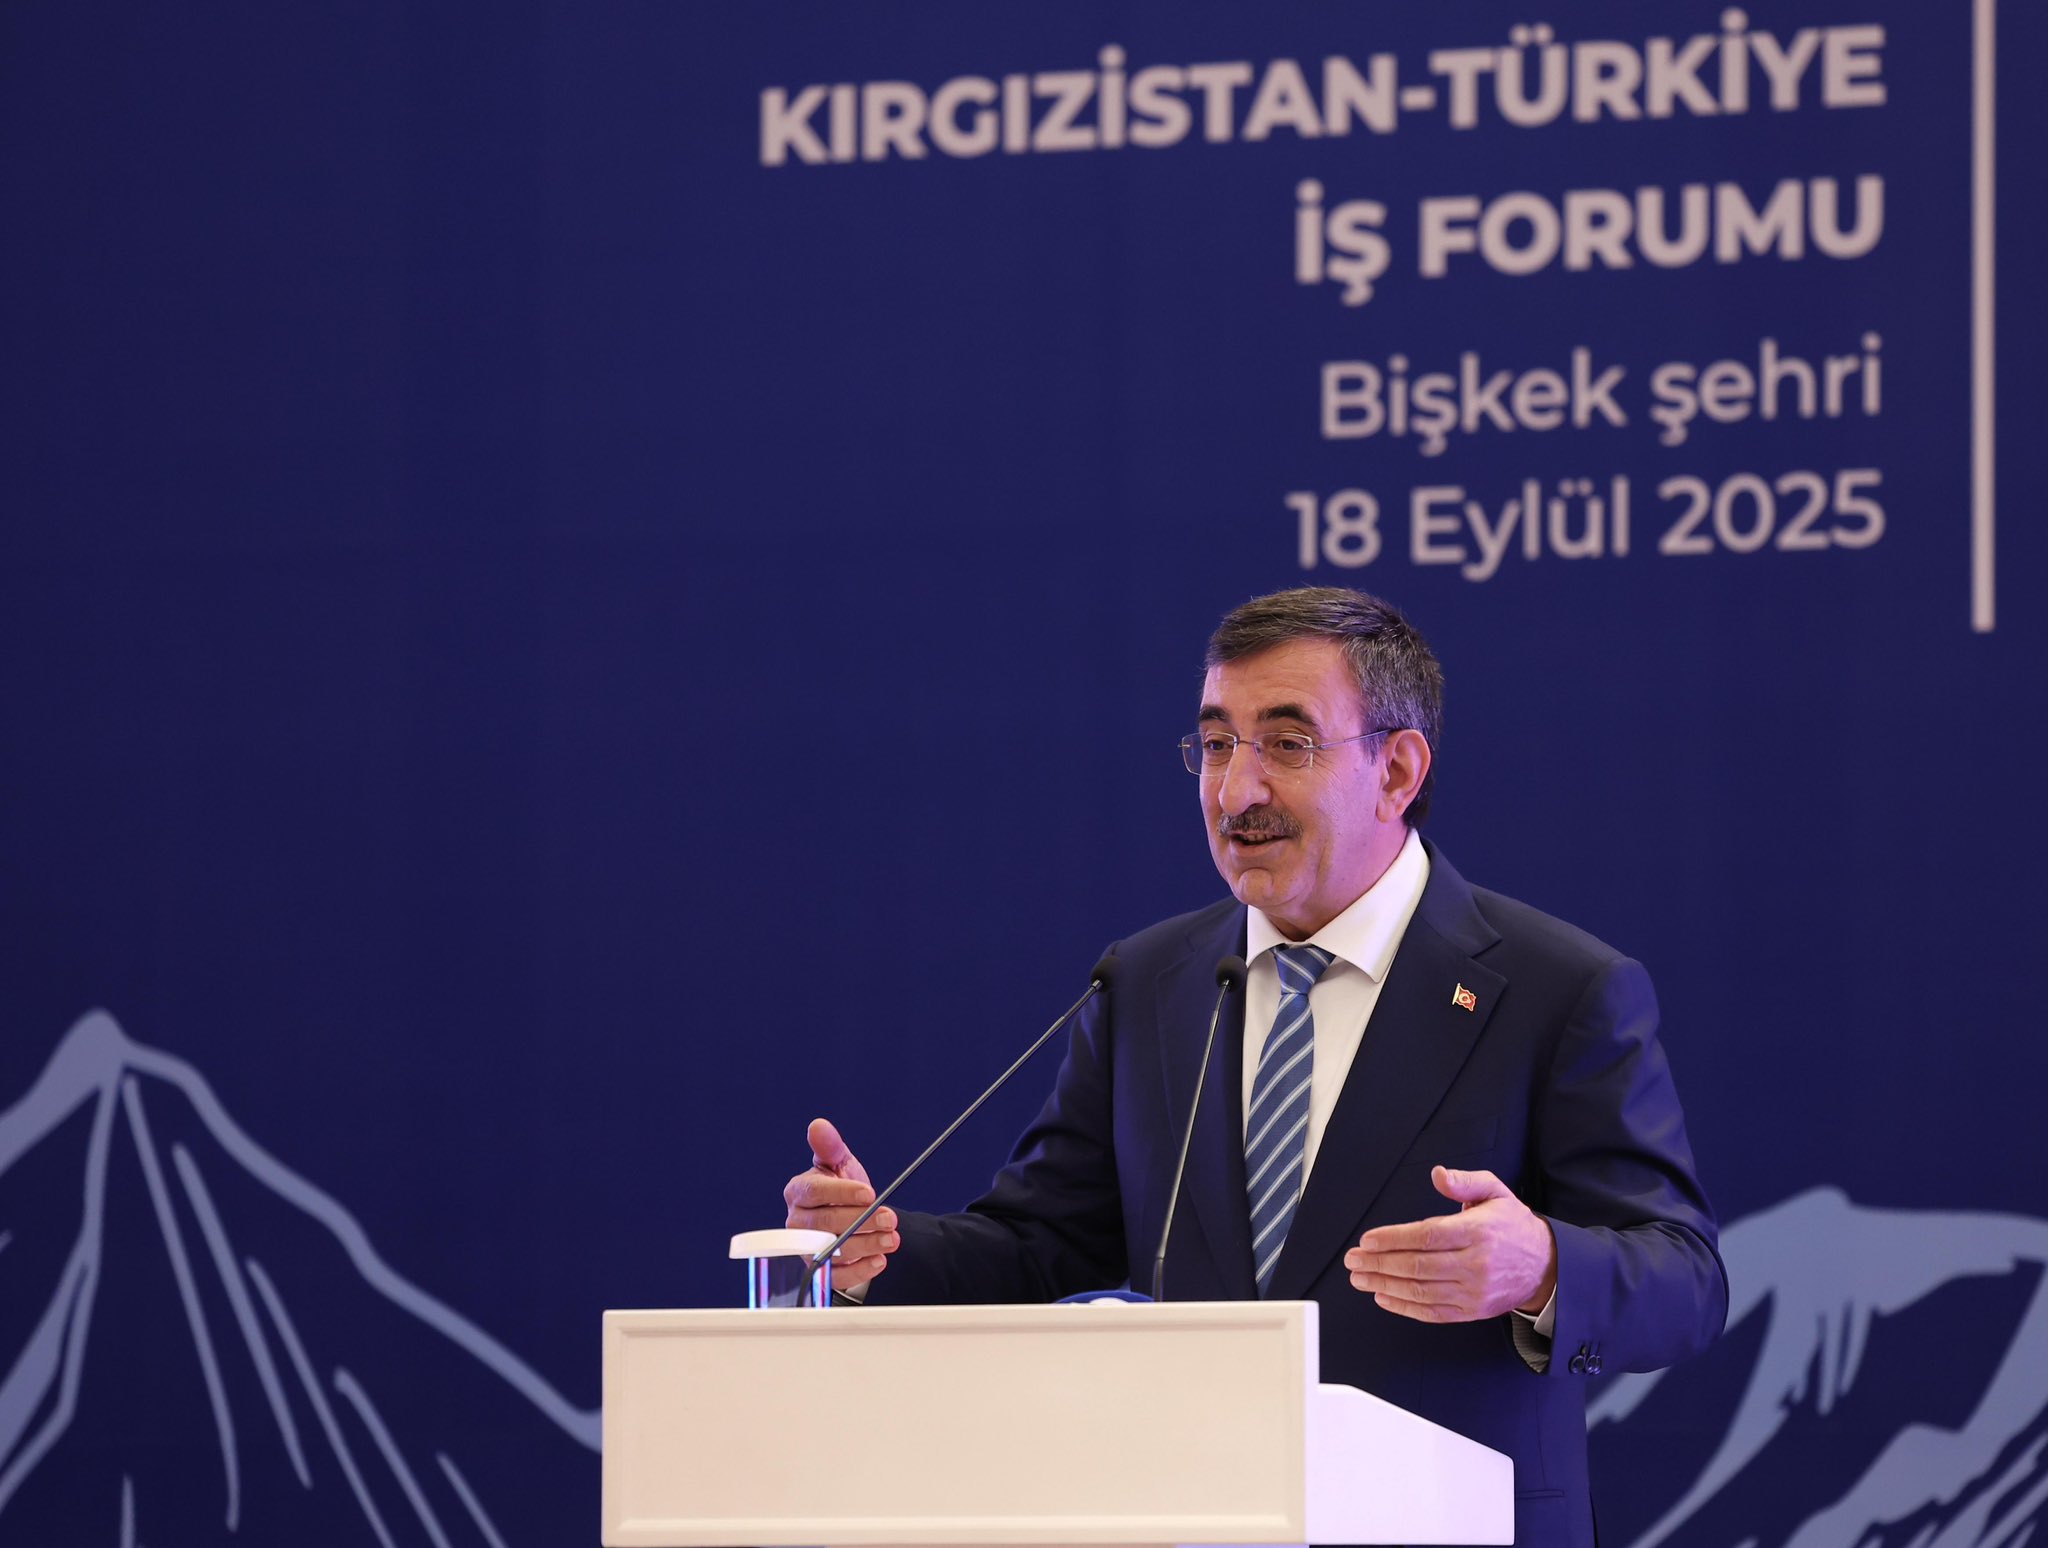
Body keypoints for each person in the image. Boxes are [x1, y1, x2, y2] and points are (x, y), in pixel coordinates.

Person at [784, 586, 1726, 1548]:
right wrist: (877, 1251)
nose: (1237, 792)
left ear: (1397, 770)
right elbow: (1041, 1246)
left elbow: (1686, 1280)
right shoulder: (1149, 982)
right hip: (1204, 1518)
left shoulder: (1556, 987)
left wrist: (1543, 1268)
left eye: (1287, 743)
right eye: (1216, 744)